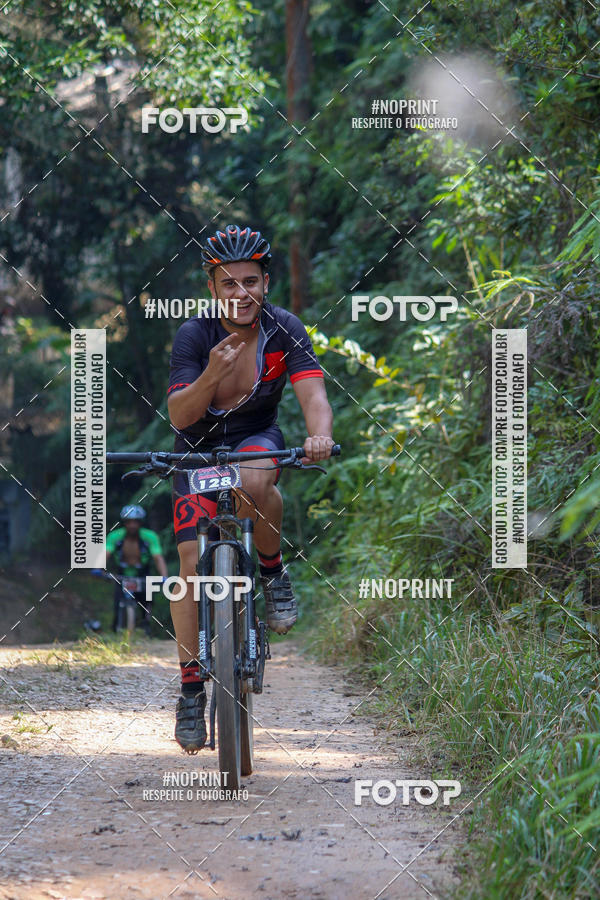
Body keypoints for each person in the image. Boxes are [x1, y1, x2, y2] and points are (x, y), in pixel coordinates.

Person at [167, 223, 334, 752]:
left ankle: (272, 570)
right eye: (229, 283)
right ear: (212, 287)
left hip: (255, 437)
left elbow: (313, 395)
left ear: (266, 282)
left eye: (251, 281)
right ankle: (191, 690)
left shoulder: (285, 329)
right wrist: (211, 376)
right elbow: (179, 414)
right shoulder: (194, 335)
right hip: (196, 447)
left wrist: (319, 436)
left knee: (257, 479)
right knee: (189, 568)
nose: (241, 293)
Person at [104, 505, 168, 635]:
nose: (132, 525)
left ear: (140, 522)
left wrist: (164, 576)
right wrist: (98, 568)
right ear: (124, 522)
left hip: (143, 574)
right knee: (117, 603)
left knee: (147, 601)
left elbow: (158, 557)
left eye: (136, 522)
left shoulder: (149, 536)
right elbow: (106, 553)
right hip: (122, 574)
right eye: (129, 521)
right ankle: (117, 631)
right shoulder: (115, 536)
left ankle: (146, 627)